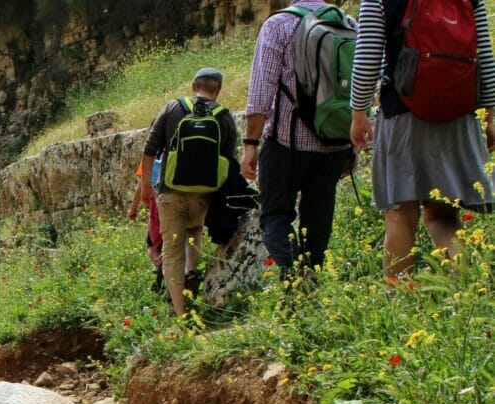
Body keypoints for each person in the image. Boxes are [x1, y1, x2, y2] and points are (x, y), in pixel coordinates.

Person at [349, 0, 495, 276]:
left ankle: (399, 306)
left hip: (403, 115)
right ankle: (464, 295)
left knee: (400, 215)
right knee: (443, 215)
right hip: (458, 118)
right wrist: (490, 116)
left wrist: (359, 112)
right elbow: (484, 58)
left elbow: (366, 58)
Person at [242, 0, 357, 280]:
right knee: (318, 223)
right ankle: (306, 294)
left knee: (275, 217)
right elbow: (361, 88)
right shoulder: (349, 24)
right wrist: (351, 143)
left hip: (286, 145)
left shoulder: (278, 25)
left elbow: (260, 94)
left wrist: (250, 144)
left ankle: (293, 275)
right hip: (334, 144)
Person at [139, 67, 238, 316]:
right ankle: (191, 270)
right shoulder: (224, 116)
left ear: (194, 86)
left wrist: (146, 188)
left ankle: (181, 314)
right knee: (194, 229)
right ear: (217, 90)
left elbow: (149, 149)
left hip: (171, 193)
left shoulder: (173, 108)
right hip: (204, 196)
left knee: (172, 251)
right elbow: (228, 161)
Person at [128, 156, 165, 292]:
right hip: (182, 206)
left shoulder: (152, 156)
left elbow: (141, 185)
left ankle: (161, 270)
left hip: (158, 211)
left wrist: (133, 209)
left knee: (153, 246)